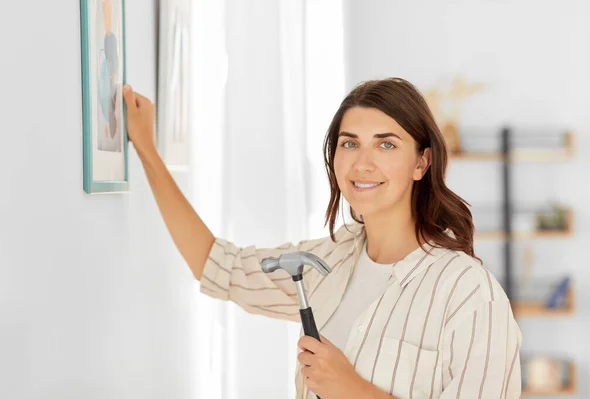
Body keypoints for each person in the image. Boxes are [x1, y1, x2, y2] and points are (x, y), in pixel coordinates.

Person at [122, 77, 522, 399]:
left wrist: (353, 391)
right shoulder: (327, 262)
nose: (362, 162)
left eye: (386, 144)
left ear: (422, 161)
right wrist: (146, 149)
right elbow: (219, 266)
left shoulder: (469, 293)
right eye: (350, 143)